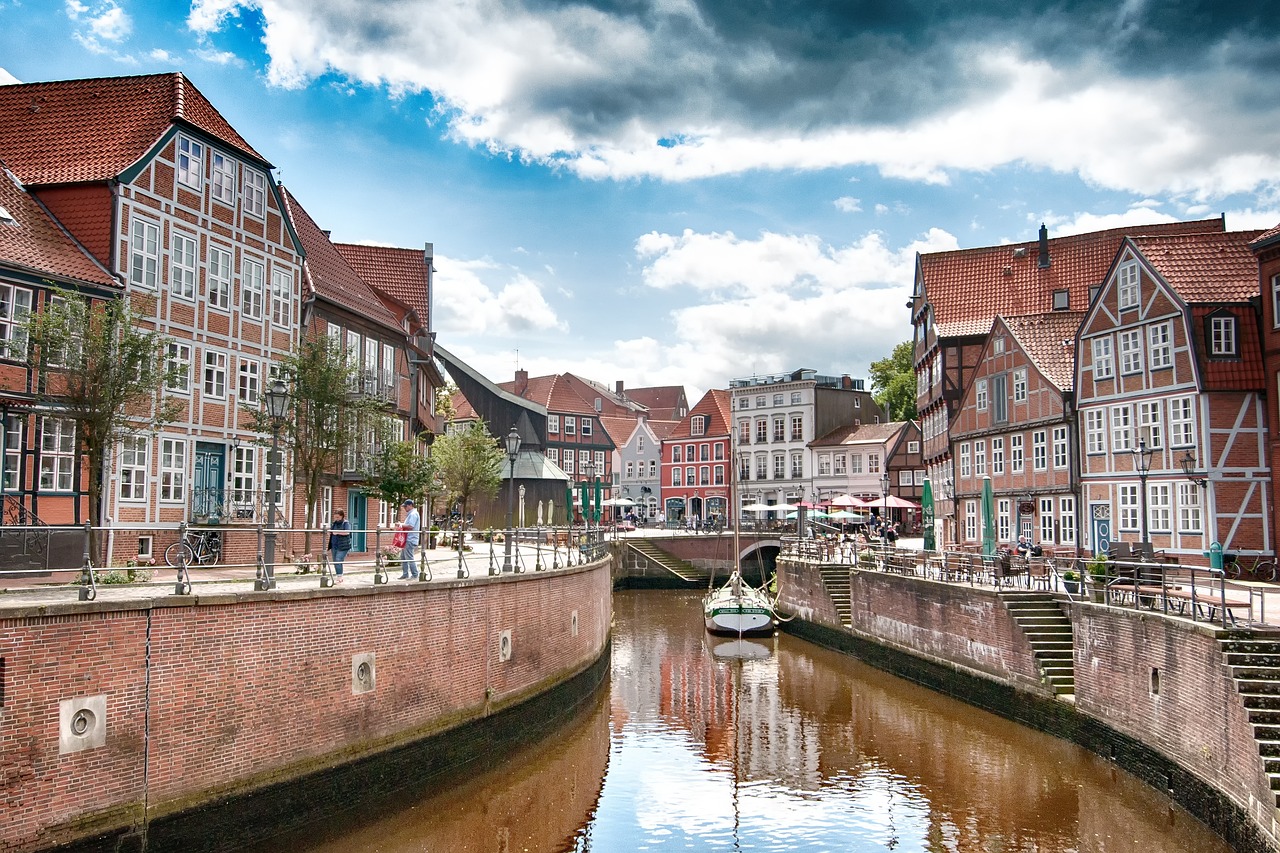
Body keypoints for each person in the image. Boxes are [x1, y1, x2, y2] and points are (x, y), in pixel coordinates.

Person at [399, 498, 421, 580]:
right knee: (403, 557)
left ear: (410, 506)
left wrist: (401, 525)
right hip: (408, 538)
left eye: (406, 506)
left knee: (409, 557)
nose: (405, 508)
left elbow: (411, 526)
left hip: (410, 539)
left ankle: (415, 574)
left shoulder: (413, 514)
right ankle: (405, 574)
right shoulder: (411, 514)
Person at [328, 509, 351, 582]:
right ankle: (338, 575)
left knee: (338, 559)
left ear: (342, 516)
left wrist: (337, 532)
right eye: (335, 517)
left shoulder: (345, 523)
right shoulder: (334, 523)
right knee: (335, 561)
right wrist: (330, 532)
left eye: (338, 517)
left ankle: (340, 577)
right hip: (334, 544)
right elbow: (332, 532)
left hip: (343, 545)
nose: (336, 519)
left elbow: (347, 532)